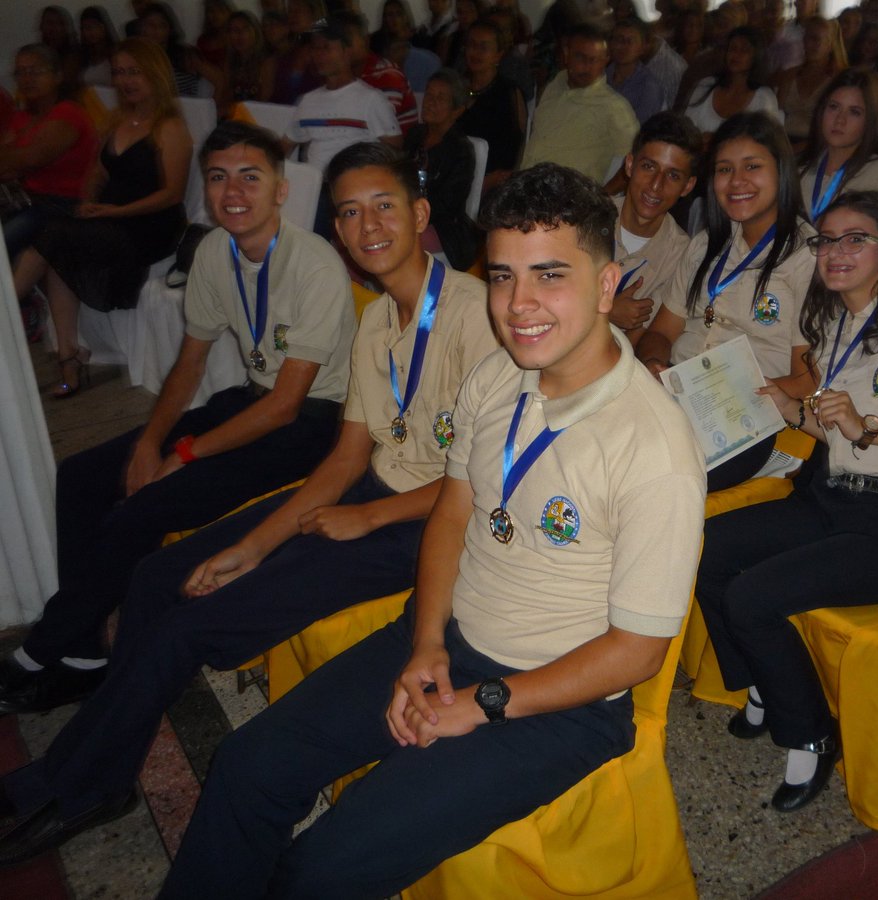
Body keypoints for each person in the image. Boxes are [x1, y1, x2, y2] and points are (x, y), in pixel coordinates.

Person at [155, 161, 706, 899]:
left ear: (607, 286)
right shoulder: (498, 376)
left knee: (322, 868)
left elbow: (637, 653)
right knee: (248, 766)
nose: (519, 305)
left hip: (556, 705)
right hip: (448, 643)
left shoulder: (655, 445)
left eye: (550, 276)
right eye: (504, 276)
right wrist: (425, 645)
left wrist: (483, 704)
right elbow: (452, 512)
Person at [0, 137, 497, 864]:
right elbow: (347, 457)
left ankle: (76, 783)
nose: (368, 227)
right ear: (336, 228)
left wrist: (365, 516)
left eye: (384, 207)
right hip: (364, 493)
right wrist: (253, 543)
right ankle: (97, 765)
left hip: (425, 527)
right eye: (350, 213)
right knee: (154, 578)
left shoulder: (477, 315)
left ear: (420, 212)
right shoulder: (374, 325)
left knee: (188, 628)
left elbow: (481, 482)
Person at [0, 122, 355, 718]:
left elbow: (287, 405)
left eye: (250, 176)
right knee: (85, 477)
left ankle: (42, 648)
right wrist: (150, 441)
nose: (233, 191)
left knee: (146, 506)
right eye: (218, 177)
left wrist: (183, 455)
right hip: (250, 400)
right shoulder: (215, 250)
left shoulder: (314, 265)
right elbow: (189, 364)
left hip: (312, 427)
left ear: (280, 191)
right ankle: (85, 655)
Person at [694, 189, 878, 812]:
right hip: (829, 497)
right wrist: (785, 404)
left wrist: (871, 426)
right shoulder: (828, 326)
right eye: (827, 240)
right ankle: (764, 685)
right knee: (707, 551)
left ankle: (812, 736)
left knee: (753, 596)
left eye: (855, 239)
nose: (836, 251)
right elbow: (828, 423)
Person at [637, 112, 816, 491]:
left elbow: (807, 379)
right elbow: (661, 333)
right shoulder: (706, 244)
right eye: (724, 169)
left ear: (781, 172)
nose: (736, 182)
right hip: (677, 396)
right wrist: (654, 364)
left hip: (744, 418)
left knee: (649, 479)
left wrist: (733, 396)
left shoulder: (807, 257)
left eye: (752, 167)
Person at [9, 37, 190, 399]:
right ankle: (68, 355)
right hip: (110, 218)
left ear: (154, 74)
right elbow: (96, 174)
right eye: (120, 72)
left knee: (51, 235)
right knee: (56, 244)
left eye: (134, 72)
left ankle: (13, 310)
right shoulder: (117, 121)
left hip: (151, 226)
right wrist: (89, 202)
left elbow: (172, 195)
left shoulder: (169, 126)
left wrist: (114, 211)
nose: (125, 80)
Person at [0, 44, 98, 260]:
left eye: (35, 71)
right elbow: (7, 168)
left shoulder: (68, 113)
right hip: (24, 201)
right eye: (21, 72)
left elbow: (32, 158)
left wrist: (14, 155)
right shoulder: (21, 116)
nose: (27, 78)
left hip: (62, 205)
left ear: (57, 76)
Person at [611, 112, 699, 348]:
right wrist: (603, 312)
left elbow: (636, 341)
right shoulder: (586, 217)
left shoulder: (681, 254)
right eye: (649, 166)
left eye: (672, 175)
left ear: (687, 186)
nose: (656, 185)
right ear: (629, 165)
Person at [521, 24, 639, 187]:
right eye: (580, 57)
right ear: (566, 54)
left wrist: (604, 198)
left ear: (606, 60)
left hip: (567, 200)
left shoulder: (615, 107)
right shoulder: (555, 84)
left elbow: (638, 159)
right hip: (525, 186)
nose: (587, 66)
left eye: (595, 60)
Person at [283, 17, 402, 175]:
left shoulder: (371, 99)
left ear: (346, 51)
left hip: (354, 187)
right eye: (314, 48)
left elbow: (395, 151)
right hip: (313, 188)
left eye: (326, 48)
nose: (319, 55)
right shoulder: (308, 101)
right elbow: (284, 146)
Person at [797, 68, 878, 224]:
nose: (840, 119)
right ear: (822, 110)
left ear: (870, 121)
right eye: (834, 107)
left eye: (854, 112)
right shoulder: (801, 169)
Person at [404, 68, 479, 270]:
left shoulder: (461, 150)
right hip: (406, 215)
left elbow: (448, 204)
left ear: (456, 109)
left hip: (443, 229)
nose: (430, 102)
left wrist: (410, 213)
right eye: (429, 94)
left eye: (441, 98)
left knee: (398, 242)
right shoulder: (414, 136)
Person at [458, 20, 526, 194]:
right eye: (471, 45)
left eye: (483, 47)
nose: (475, 52)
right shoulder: (457, 87)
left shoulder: (510, 92)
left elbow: (520, 141)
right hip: (458, 176)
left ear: (498, 54)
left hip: (496, 181)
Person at [684, 26, 782, 142]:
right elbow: (687, 130)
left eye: (744, 50)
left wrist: (716, 140)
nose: (736, 54)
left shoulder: (764, 97)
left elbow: (767, 141)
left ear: (756, 56)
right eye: (733, 48)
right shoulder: (705, 85)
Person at [336, 9, 419, 135]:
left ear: (366, 40)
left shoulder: (387, 75)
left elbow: (372, 130)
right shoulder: (339, 76)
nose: (342, 46)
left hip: (390, 151)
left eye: (348, 39)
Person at [777, 15, 845, 150]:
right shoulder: (790, 75)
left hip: (819, 146)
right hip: (784, 141)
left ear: (830, 44)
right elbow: (776, 114)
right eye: (808, 38)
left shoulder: (837, 80)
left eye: (817, 39)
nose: (812, 44)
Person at [137, 2, 223, 98]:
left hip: (185, 109)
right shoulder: (136, 56)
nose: (156, 30)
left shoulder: (184, 54)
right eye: (151, 25)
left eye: (162, 25)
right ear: (142, 28)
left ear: (169, 30)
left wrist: (209, 109)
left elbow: (219, 80)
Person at [607, 18, 666, 125]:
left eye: (630, 41)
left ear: (642, 48)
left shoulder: (648, 87)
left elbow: (641, 131)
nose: (623, 46)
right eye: (618, 40)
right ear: (610, 44)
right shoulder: (600, 75)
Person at [217, 10, 273, 116]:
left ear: (255, 31)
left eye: (245, 29)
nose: (239, 35)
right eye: (234, 30)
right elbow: (226, 96)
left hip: (258, 117)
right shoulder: (230, 61)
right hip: (233, 118)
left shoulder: (267, 61)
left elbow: (264, 101)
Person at [268, 0, 323, 104]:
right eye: (289, 11)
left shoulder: (324, 50)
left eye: (297, 11)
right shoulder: (287, 53)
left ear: (313, 13)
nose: (292, 15)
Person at [78, 5, 118, 87]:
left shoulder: (115, 52)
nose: (90, 31)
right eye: (85, 27)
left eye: (94, 26)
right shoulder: (82, 56)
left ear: (103, 27)